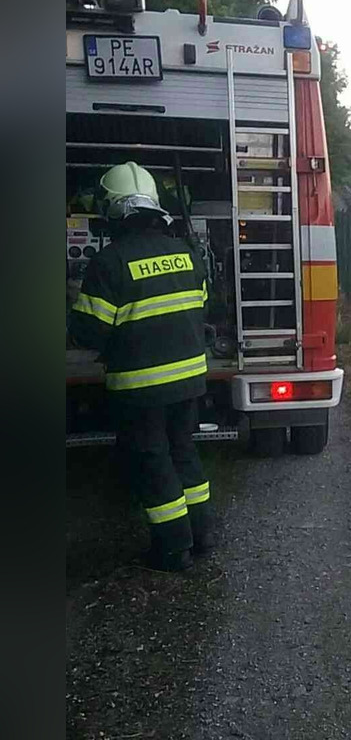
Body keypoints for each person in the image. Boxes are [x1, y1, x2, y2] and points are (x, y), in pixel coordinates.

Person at [70, 162, 214, 572]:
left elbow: (91, 332)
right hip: (189, 377)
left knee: (153, 460)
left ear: (111, 211)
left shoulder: (109, 262)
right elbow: (200, 305)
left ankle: (173, 549)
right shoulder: (185, 253)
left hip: (140, 386)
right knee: (183, 451)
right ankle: (202, 535)